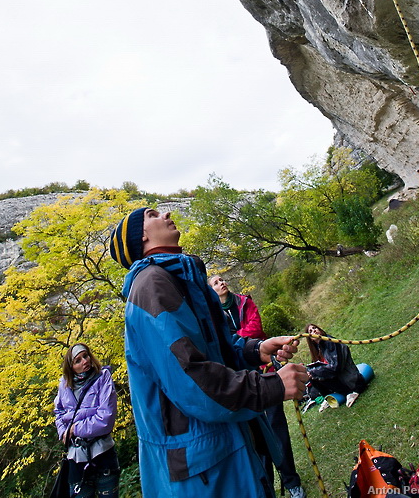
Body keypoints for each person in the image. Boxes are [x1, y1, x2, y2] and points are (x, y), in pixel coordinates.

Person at [110, 207, 309, 498]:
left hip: (216, 448)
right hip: (201, 466)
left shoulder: (177, 278)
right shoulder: (152, 285)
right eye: (153, 215)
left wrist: (255, 351)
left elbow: (213, 349)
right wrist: (272, 386)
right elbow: (192, 379)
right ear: (140, 236)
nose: (165, 213)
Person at [209, 274, 306, 498]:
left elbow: (255, 327)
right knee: (256, 436)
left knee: (277, 427)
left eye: (222, 280)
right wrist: (236, 342)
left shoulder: (245, 302)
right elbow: (225, 343)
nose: (221, 283)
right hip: (242, 381)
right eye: (215, 283)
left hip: (265, 372)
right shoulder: (214, 317)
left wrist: (236, 340)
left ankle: (292, 482)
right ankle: (267, 486)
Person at [54, 343, 120, 498]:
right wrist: (64, 432)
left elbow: (106, 419)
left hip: (103, 454)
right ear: (71, 367)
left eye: (86, 356)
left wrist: (74, 428)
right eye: (78, 360)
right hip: (76, 458)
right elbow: (58, 412)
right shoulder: (64, 385)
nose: (85, 361)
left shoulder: (103, 378)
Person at [304, 323, 367, 410]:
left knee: (314, 373)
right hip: (338, 379)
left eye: (315, 328)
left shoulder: (331, 342)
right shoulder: (318, 349)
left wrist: (314, 372)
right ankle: (327, 396)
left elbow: (335, 368)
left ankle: (350, 392)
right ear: (311, 339)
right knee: (311, 375)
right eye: (310, 331)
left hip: (350, 380)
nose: (314, 330)